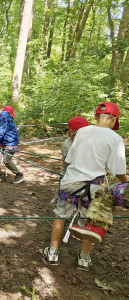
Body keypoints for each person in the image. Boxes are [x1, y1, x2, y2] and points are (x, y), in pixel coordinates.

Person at [43, 102, 127, 272]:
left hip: (71, 182)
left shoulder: (81, 131)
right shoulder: (115, 139)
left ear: (95, 117)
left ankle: (52, 252)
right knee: (91, 221)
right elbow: (118, 172)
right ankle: (84, 258)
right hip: (95, 187)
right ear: (113, 118)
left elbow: (70, 160)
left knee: (60, 216)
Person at [0, 103, 24, 184]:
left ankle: (19, 175)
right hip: (3, 141)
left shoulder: (4, 116)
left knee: (6, 160)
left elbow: (1, 132)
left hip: (11, 142)